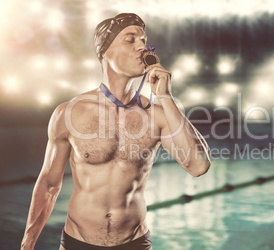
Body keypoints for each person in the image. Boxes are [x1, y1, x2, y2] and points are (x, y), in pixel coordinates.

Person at [20, 13, 211, 250]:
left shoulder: (157, 114)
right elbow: (49, 184)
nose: (142, 46)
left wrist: (165, 96)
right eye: (130, 40)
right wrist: (27, 243)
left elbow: (198, 166)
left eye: (144, 40)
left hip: (135, 243)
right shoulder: (69, 113)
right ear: (105, 52)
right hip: (78, 242)